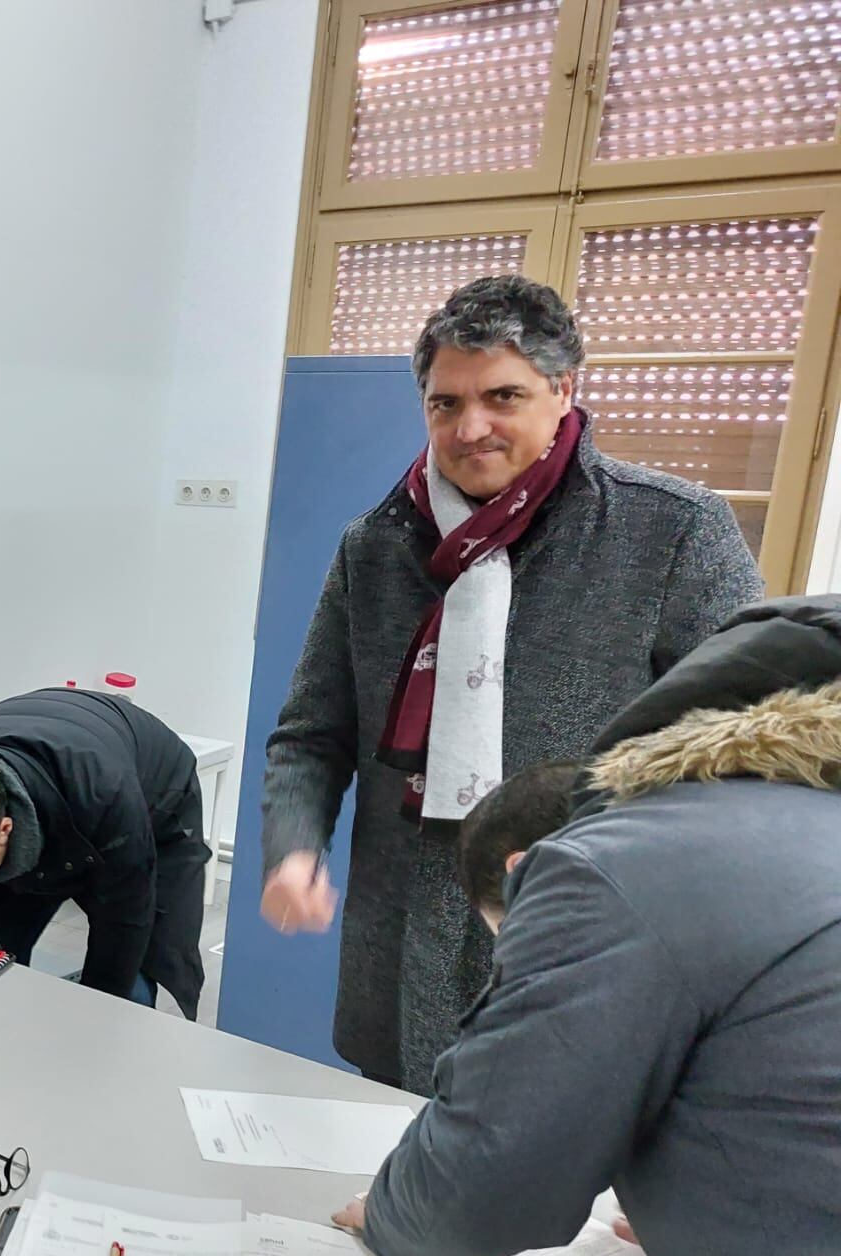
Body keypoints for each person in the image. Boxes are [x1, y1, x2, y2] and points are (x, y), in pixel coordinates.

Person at [336, 595, 841, 1256]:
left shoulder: (616, 860)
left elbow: (488, 1180)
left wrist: (395, 1213)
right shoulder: (806, 823)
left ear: (527, 868)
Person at [259, 275, 763, 1090]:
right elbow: (312, 734)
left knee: (552, 1143)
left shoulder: (670, 532)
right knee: (396, 1139)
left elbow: (745, 753)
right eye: (445, 404)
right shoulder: (380, 545)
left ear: (563, 390)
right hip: (402, 928)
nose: (471, 428)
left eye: (502, 396)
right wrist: (292, 849)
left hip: (581, 929)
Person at [0, 688, 210, 1017]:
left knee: (129, 983)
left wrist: (97, 1014)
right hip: (51, 785)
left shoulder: (105, 794)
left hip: (153, 802)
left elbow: (126, 919)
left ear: (4, 830)